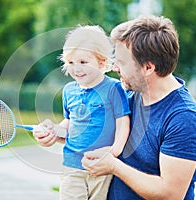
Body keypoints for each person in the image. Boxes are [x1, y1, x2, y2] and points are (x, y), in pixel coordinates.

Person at [81, 15, 196, 200]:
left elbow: (171, 194)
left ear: (148, 67)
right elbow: (94, 132)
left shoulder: (184, 119)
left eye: (122, 63)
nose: (115, 68)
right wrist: (57, 133)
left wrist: (114, 167)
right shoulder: (128, 96)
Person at [33, 25, 131, 200]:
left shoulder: (113, 89)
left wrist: (113, 152)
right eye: (71, 63)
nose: (76, 69)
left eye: (83, 62)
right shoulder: (69, 91)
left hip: (101, 165)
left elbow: (123, 123)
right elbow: (70, 123)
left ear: (101, 62)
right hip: (72, 165)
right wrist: (54, 131)